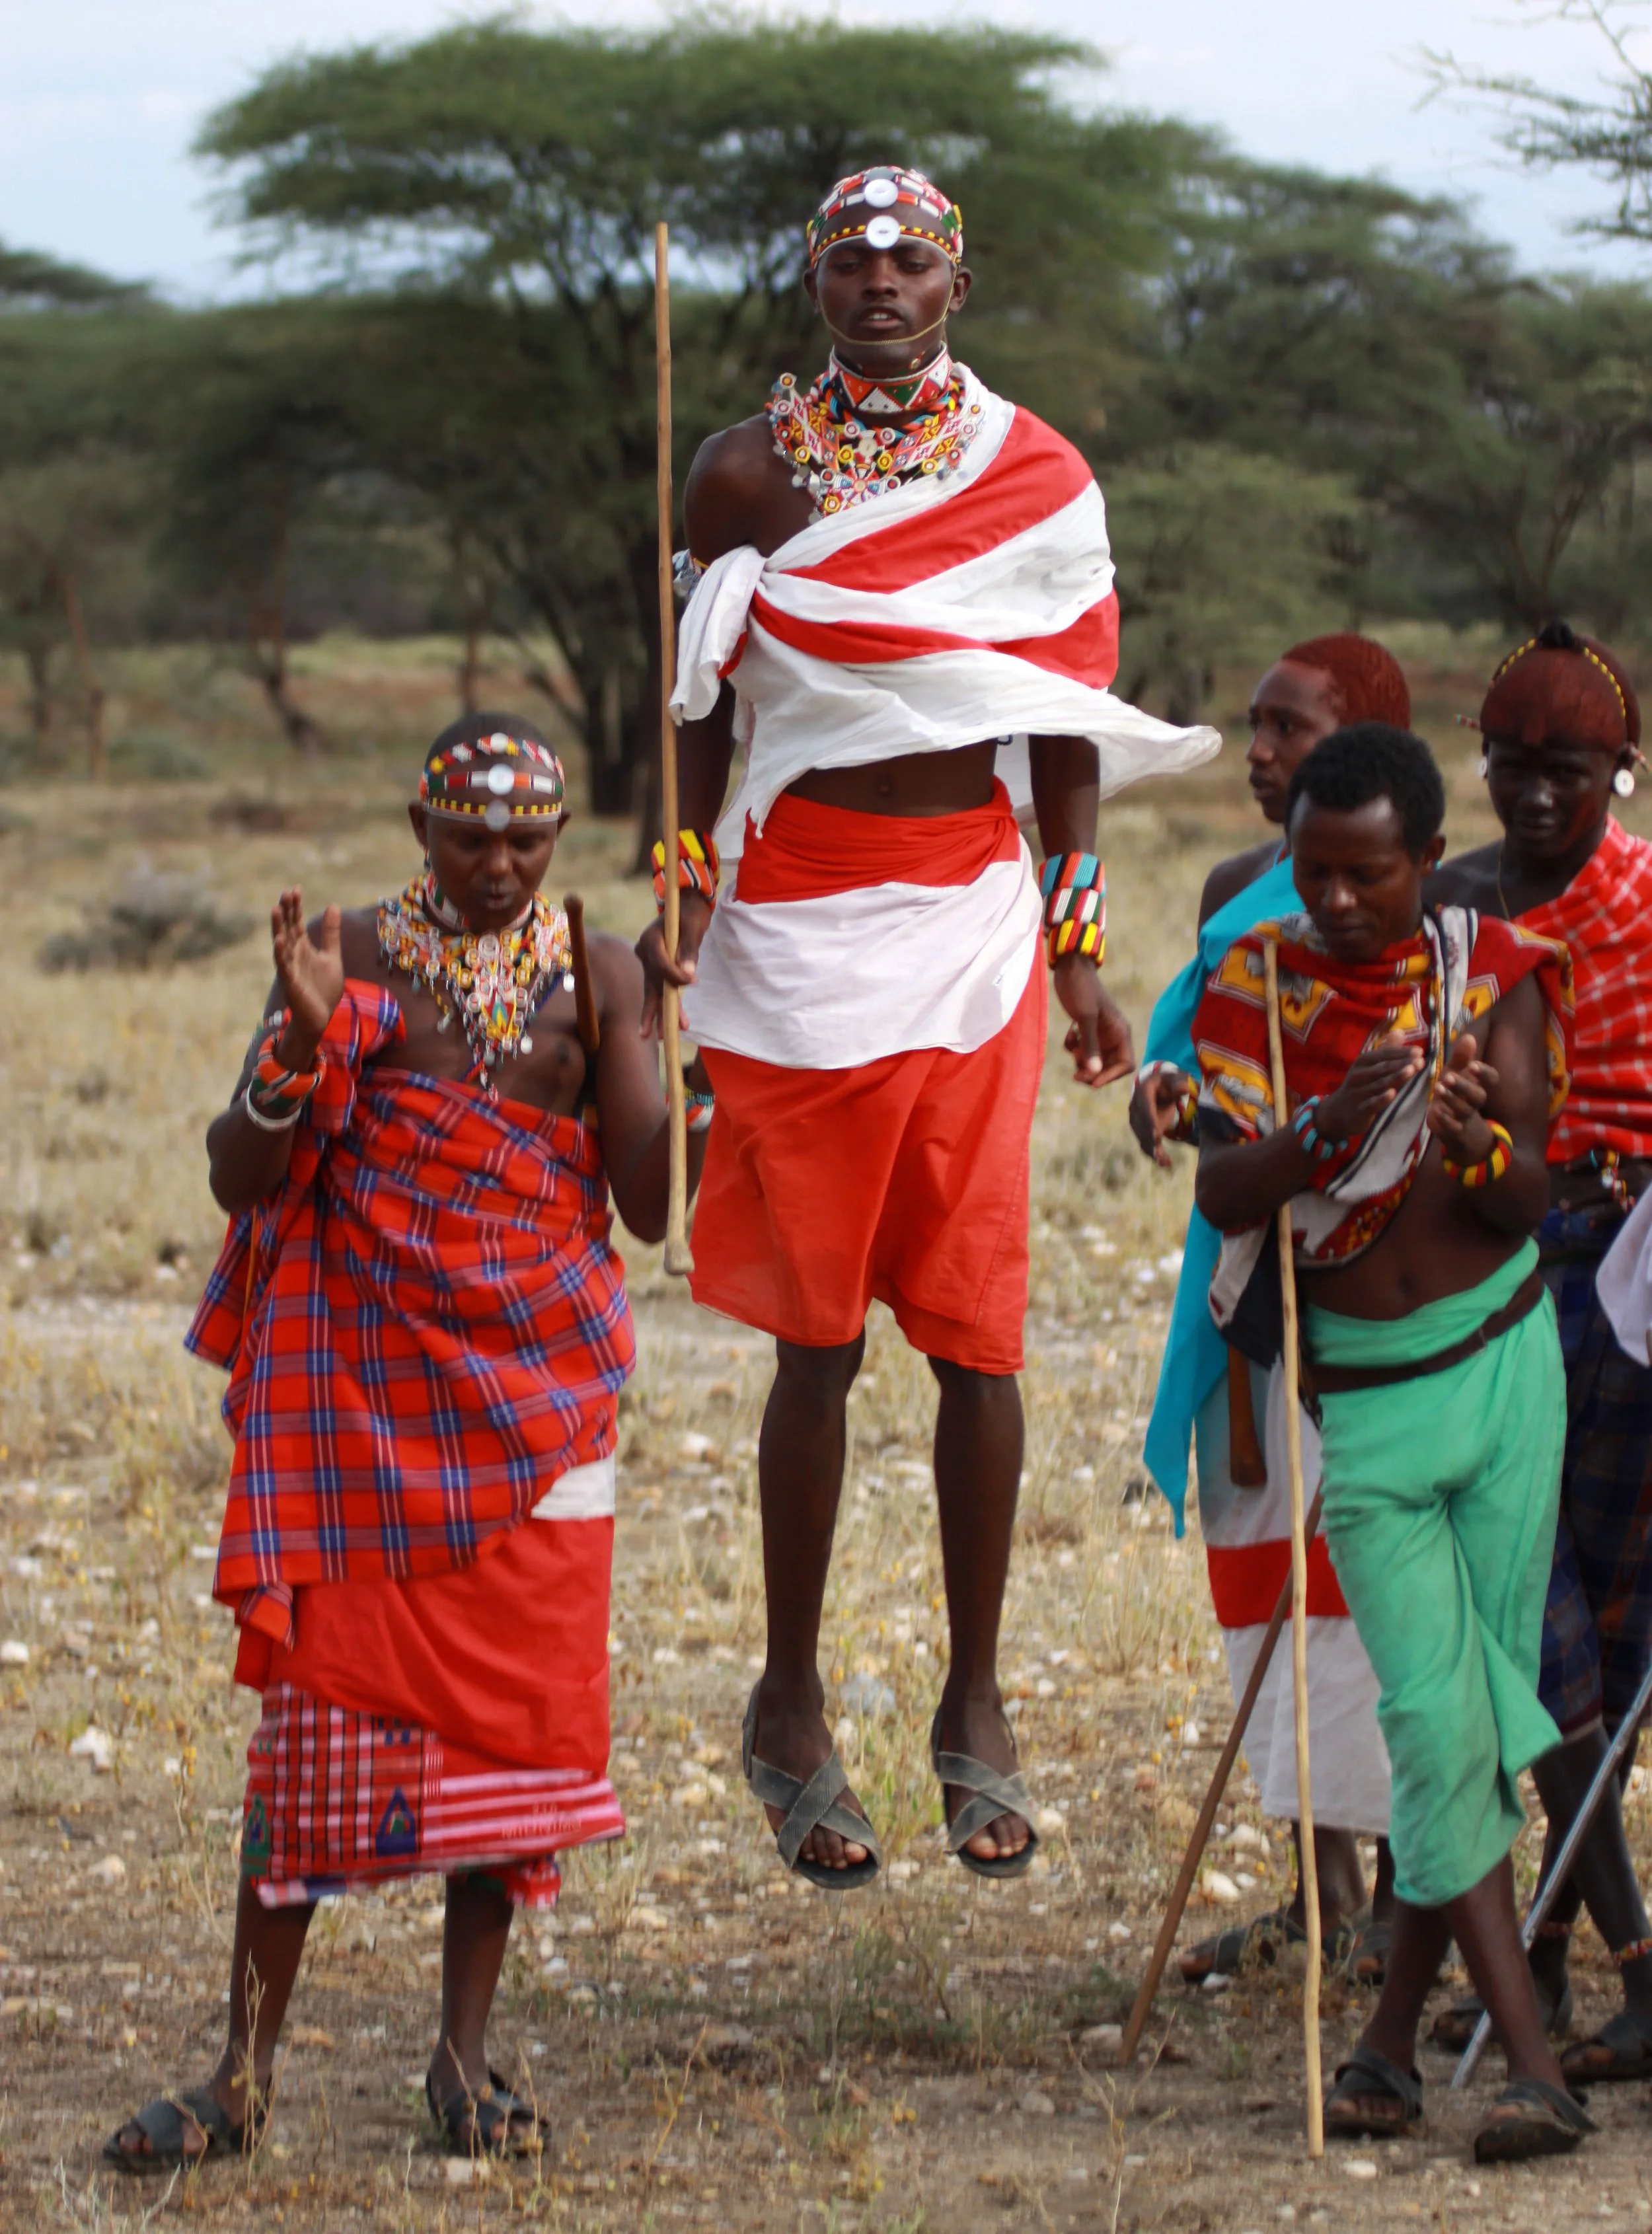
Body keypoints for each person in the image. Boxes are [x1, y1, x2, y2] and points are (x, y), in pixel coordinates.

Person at [638, 165, 1217, 1886]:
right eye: (849, 253)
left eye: (911, 253)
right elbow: (694, 698)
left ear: (960, 272)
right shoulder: (738, 468)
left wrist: (1079, 946)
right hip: (792, 922)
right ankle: (790, 1701)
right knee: (817, 1343)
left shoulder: (1032, 473)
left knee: (979, 1336)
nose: (879, 277)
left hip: (970, 926)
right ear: (813, 275)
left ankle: (977, 1702)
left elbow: (1056, 719)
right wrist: (678, 886)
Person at [106, 718, 707, 2172]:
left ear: (561, 834)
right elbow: (236, 1173)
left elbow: (646, 1206)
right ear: (418, 826)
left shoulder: (603, 968)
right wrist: (299, 1049)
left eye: (526, 838)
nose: (497, 867)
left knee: (508, 1734)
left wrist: (689, 1066)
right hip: (363, 1407)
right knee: (314, 1727)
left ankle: (463, 2060)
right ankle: (240, 2073)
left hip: (542, 1393)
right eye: (467, 837)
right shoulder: (353, 953)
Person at [1193, 725, 1593, 2163]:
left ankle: (1383, 2044)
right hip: (1356, 1400)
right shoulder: (1256, 987)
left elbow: (1521, 1199)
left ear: (1425, 864)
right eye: (1314, 872)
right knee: (1433, 1717)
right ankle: (1533, 2069)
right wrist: (1322, 1130)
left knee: (1465, 1724)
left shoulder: (1490, 976)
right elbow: (1222, 1185)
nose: (1338, 900)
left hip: (1501, 1373)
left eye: (1368, 873)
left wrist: (1481, 1142)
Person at [1131, 636, 1410, 1990]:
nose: (1254, 752)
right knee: (1271, 1580)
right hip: (1244, 1270)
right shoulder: (1230, 891)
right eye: (1251, 729)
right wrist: (1159, 1091)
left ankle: (1410, 1897)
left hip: (1377, 1287)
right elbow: (1185, 1066)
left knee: (1375, 1586)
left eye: (1284, 731)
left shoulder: (1427, 915)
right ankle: (1318, 1889)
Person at [1427, 622, 1652, 2083]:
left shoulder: (1646, 902)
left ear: (1616, 775)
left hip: (1629, 1287)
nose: (1531, 799)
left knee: (1611, 1634)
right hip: (1487, 1280)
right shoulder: (1450, 905)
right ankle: (1609, 1961)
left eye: (1563, 774)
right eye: (1510, 768)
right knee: (1528, 1623)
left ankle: (1570, 1960)